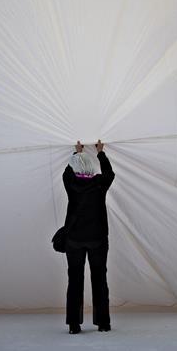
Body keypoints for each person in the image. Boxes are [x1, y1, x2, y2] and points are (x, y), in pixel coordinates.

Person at [63, 139, 115, 334]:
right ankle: (103, 323)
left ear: (74, 166)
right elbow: (110, 173)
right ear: (92, 166)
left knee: (74, 280)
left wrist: (77, 153)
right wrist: (100, 152)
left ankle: (74, 325)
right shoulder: (99, 183)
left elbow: (67, 172)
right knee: (100, 279)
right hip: (97, 239)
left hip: (74, 239)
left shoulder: (71, 183)